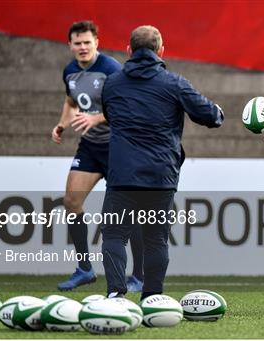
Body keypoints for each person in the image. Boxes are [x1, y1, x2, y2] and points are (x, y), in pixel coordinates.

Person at [100, 25, 224, 300]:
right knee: (156, 238)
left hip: (122, 177)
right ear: (161, 51)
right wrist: (218, 111)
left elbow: (109, 113)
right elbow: (210, 117)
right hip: (161, 177)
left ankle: (115, 297)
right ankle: (152, 297)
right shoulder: (174, 83)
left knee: (114, 235)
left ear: (129, 50)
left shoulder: (112, 83)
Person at [51, 20, 143, 292]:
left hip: (119, 146)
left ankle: (139, 275)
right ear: (70, 45)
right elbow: (71, 102)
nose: (82, 47)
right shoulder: (69, 71)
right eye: (77, 43)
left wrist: (96, 118)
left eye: (87, 42)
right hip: (90, 147)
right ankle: (84, 269)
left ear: (96, 43)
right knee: (71, 201)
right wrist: (62, 124)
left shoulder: (112, 69)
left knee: (130, 212)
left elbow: (127, 106)